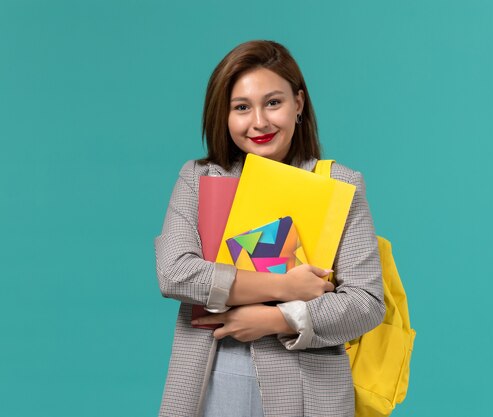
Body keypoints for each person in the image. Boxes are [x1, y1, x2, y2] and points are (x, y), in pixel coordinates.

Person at [154, 40, 385, 417]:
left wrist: (276, 318)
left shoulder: (340, 185)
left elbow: (366, 303)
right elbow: (175, 273)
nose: (259, 121)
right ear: (223, 116)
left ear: (299, 104)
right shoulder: (198, 178)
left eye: (273, 102)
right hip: (209, 381)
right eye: (241, 107)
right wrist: (285, 287)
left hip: (307, 393)